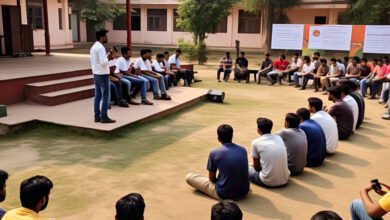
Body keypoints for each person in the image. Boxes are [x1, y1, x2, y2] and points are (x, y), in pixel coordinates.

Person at [186, 124, 249, 200]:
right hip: (244, 191)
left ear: (218, 138)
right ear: (232, 136)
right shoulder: (243, 150)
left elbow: (212, 179)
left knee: (189, 177)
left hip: (225, 194)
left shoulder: (214, 153)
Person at [249, 118, 290, 187]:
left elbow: (256, 168)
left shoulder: (255, 142)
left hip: (268, 181)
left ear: (258, 129)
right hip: (285, 178)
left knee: (247, 167)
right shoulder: (278, 138)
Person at [90, 29, 115, 123]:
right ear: (102, 37)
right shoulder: (100, 48)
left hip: (96, 73)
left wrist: (107, 57)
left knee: (97, 96)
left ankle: (97, 116)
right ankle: (104, 117)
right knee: (105, 96)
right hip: (103, 74)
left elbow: (96, 61)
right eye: (106, 36)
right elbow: (103, 62)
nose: (107, 38)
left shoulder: (93, 47)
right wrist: (109, 57)